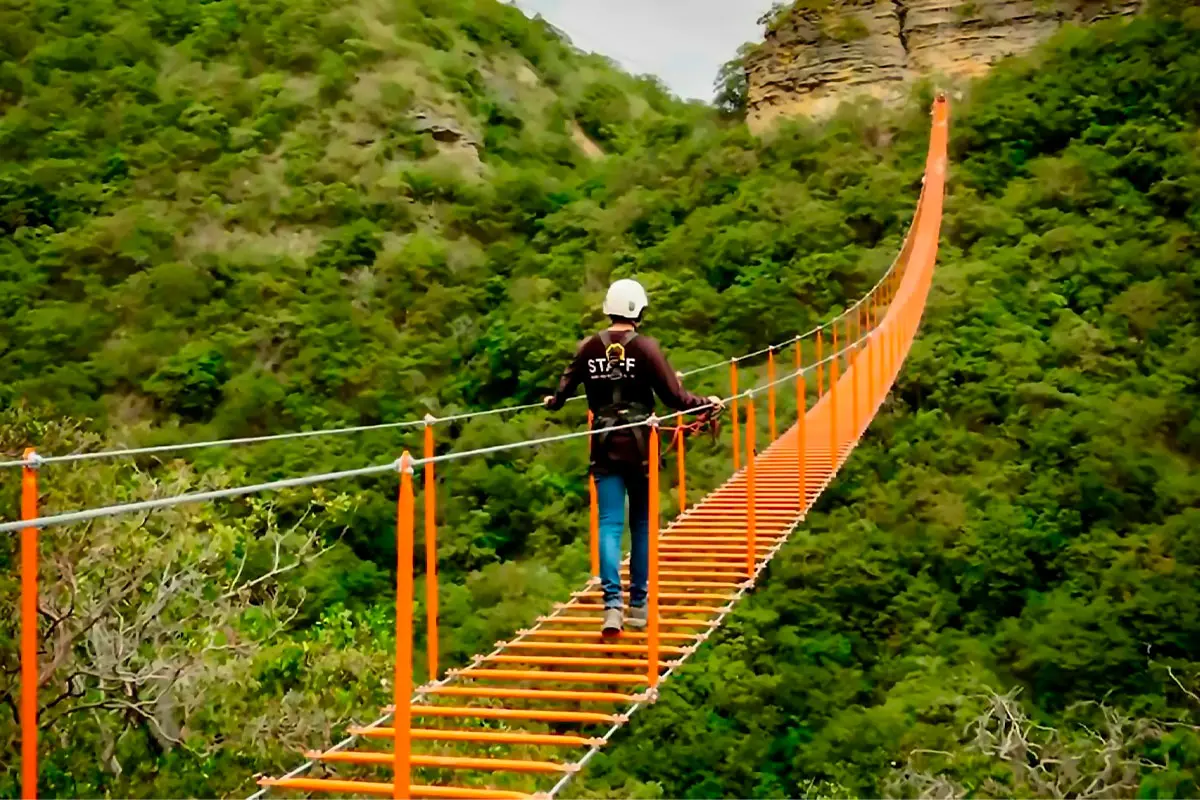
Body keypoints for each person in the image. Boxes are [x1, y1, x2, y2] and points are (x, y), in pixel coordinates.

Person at [543, 279, 723, 635]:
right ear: (639, 310)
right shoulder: (647, 349)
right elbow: (675, 398)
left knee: (609, 525)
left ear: (609, 308)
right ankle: (639, 605)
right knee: (641, 525)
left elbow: (564, 388)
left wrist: (554, 401)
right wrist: (708, 402)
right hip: (641, 446)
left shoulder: (589, 347)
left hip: (604, 445)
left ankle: (612, 607)